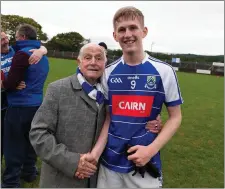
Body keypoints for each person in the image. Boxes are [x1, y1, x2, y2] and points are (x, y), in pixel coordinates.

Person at [80, 6, 183, 188]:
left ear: (144, 31)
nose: (127, 34)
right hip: (109, 163)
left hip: (143, 163)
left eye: (133, 28)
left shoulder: (164, 71)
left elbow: (176, 117)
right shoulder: (108, 72)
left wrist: (150, 150)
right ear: (115, 36)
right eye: (122, 30)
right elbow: (109, 118)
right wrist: (95, 154)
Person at [29, 43, 107, 188]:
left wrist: (152, 123)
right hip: (61, 180)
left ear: (105, 63)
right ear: (79, 61)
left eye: (99, 58)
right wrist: (72, 162)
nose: (93, 62)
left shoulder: (110, 94)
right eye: (87, 57)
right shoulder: (57, 89)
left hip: (97, 180)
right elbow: (38, 134)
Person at [1, 24, 49, 188]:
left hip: (19, 105)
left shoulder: (21, 54)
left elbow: (11, 83)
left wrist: (5, 82)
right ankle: (29, 172)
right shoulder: (42, 56)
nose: (12, 39)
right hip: (37, 105)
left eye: (14, 36)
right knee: (31, 142)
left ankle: (11, 181)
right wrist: (42, 49)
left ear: (22, 37)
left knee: (14, 144)